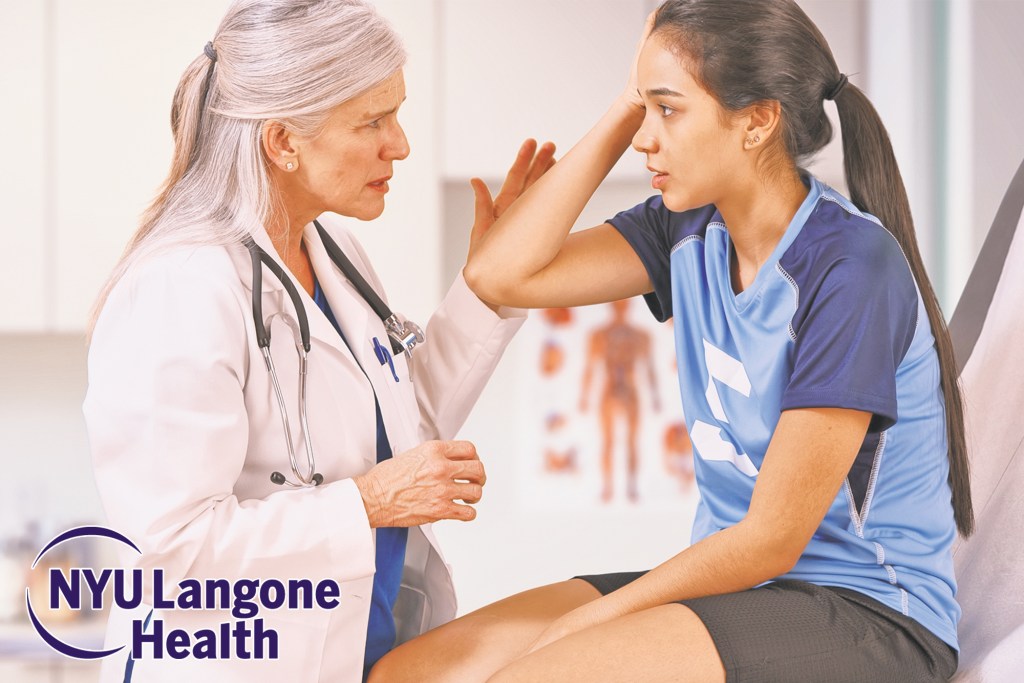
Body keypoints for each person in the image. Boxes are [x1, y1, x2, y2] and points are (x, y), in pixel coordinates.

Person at [371, 1, 972, 681]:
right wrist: (631, 98)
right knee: (410, 673)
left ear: (758, 119)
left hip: (868, 612)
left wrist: (580, 627)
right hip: (741, 592)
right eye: (644, 109)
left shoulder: (848, 267)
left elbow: (773, 538)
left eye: (668, 110)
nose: (644, 138)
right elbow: (497, 275)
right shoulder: (684, 229)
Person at [82, 1, 553, 681]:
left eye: (397, 113)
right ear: (283, 142)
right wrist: (367, 502)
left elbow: (395, 434)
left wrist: (491, 287)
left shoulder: (339, 259)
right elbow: (171, 546)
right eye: (372, 121)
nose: (401, 144)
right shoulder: (180, 287)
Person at [579, 299, 660, 502]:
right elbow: (590, 366)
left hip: (630, 390)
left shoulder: (640, 336)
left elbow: (649, 368)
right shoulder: (600, 335)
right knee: (609, 441)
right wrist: (584, 396)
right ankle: (608, 487)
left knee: (631, 441)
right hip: (610, 389)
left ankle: (631, 486)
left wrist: (655, 396)